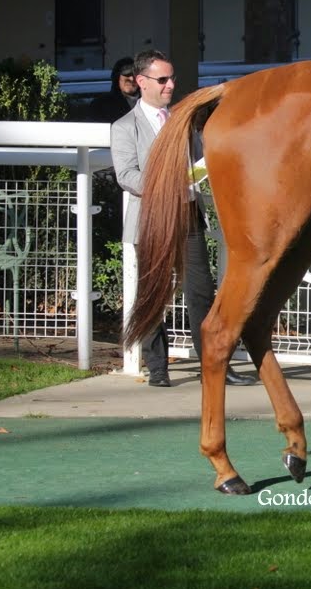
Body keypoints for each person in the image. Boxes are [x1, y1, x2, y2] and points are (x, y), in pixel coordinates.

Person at [110, 49, 257, 388]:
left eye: (172, 78)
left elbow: (201, 159)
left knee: (202, 293)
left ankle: (214, 366)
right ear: (141, 82)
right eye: (163, 79)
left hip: (189, 214)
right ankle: (158, 367)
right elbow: (127, 176)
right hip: (153, 217)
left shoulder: (183, 118)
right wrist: (169, 184)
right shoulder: (124, 127)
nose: (170, 85)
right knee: (153, 294)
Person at [88, 56, 138, 124]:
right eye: (126, 74)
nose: (132, 79)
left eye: (135, 74)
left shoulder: (149, 102)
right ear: (117, 78)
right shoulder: (100, 105)